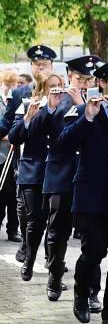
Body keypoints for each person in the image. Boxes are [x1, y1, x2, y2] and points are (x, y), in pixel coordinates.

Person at [59, 54, 108, 324]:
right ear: (102, 83)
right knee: (93, 252)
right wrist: (88, 118)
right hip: (92, 195)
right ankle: (82, 293)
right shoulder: (82, 111)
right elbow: (63, 145)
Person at [33, 55, 102, 301]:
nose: (85, 84)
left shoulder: (97, 101)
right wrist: (55, 106)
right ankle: (54, 277)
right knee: (57, 231)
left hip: (87, 177)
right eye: (81, 78)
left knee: (92, 236)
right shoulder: (58, 99)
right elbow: (37, 131)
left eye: (90, 79)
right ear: (70, 76)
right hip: (61, 175)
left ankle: (92, 290)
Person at [3, 46, 56, 270]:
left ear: (52, 67)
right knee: (26, 209)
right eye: (36, 64)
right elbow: (8, 125)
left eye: (44, 64)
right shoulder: (20, 93)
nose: (40, 67)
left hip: (54, 162)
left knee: (53, 215)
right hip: (26, 160)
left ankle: (52, 257)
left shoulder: (60, 91)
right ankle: (27, 244)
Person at [10, 71, 65, 282]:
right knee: (35, 221)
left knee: (57, 226)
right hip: (33, 171)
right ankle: (29, 259)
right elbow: (16, 136)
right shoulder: (30, 105)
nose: (56, 90)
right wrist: (29, 117)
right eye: (52, 86)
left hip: (58, 172)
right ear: (42, 88)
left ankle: (54, 270)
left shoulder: (66, 108)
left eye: (59, 85)